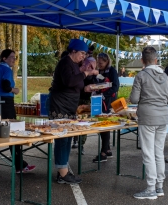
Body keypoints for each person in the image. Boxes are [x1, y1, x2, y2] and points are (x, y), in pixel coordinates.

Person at [49, 39, 98, 184]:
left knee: (67, 137)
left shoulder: (74, 65)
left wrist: (86, 89)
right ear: (73, 51)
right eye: (82, 53)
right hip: (60, 106)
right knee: (62, 139)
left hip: (69, 106)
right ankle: (63, 173)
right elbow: (69, 81)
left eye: (85, 54)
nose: (83, 56)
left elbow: (75, 84)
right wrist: (86, 74)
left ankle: (63, 170)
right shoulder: (65, 63)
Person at [130, 47, 168, 199]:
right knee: (158, 152)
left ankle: (150, 189)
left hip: (147, 117)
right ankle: (159, 187)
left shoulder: (141, 75)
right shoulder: (166, 76)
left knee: (148, 153)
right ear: (156, 60)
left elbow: (134, 99)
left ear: (142, 60)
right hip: (163, 117)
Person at [0, 49, 35, 174]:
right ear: (4, 58)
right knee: (14, 132)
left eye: (15, 57)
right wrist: (15, 90)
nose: (14, 59)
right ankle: (19, 166)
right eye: (12, 57)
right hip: (6, 104)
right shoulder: (6, 69)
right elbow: (7, 87)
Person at [92, 53, 120, 163]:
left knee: (105, 125)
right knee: (101, 123)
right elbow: (97, 83)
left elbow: (115, 86)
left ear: (107, 61)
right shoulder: (99, 72)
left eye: (101, 63)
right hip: (100, 100)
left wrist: (105, 95)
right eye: (98, 62)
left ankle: (103, 153)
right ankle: (107, 149)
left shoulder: (112, 71)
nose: (99, 65)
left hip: (109, 101)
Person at [71, 57, 97, 154]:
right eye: (89, 64)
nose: (91, 67)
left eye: (93, 65)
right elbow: (74, 85)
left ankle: (81, 144)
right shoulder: (78, 72)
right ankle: (74, 139)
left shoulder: (94, 75)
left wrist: (95, 87)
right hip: (76, 99)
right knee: (73, 120)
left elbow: (97, 85)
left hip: (86, 100)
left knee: (84, 122)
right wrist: (84, 89)